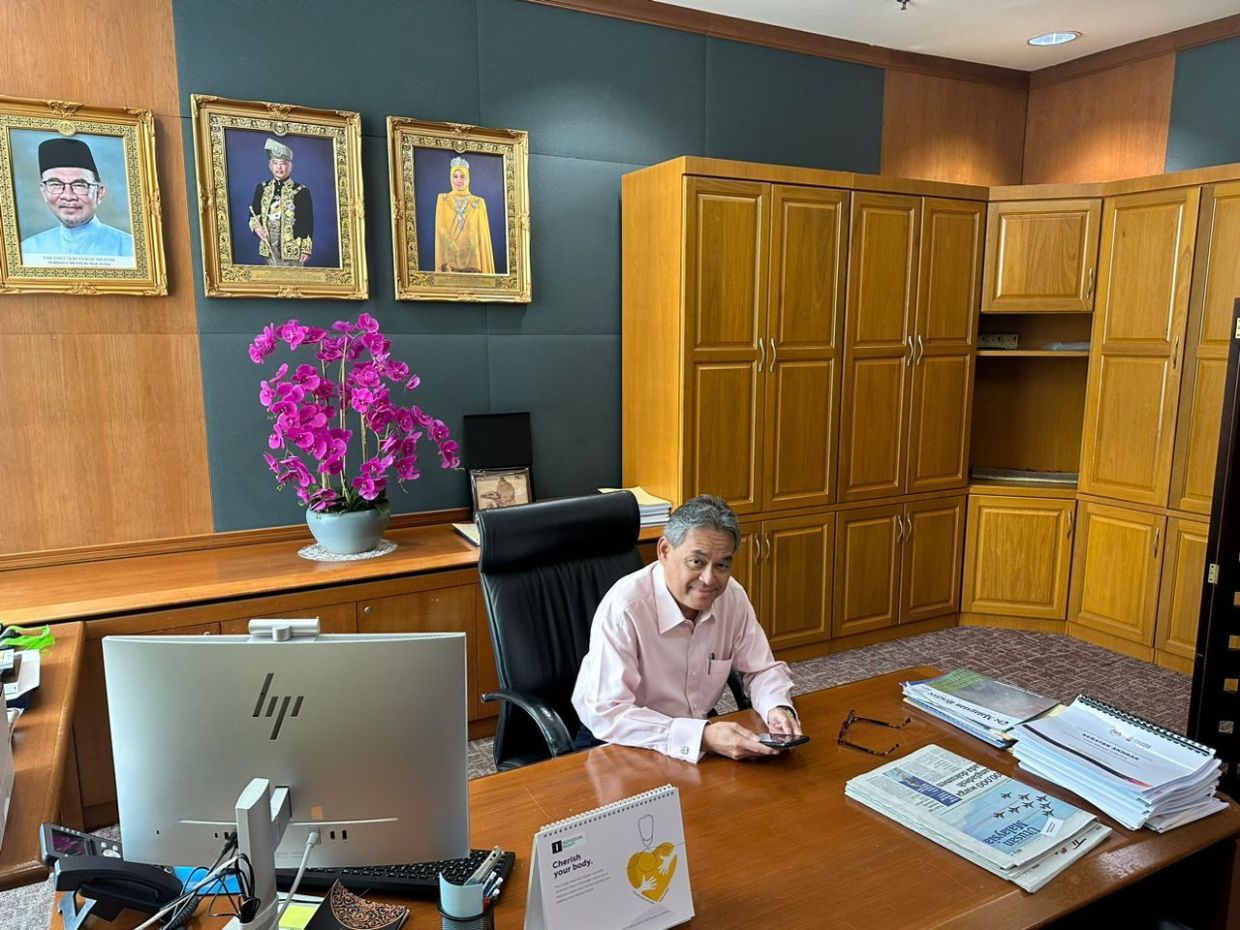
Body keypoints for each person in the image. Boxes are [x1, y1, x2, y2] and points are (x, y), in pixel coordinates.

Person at [572, 494, 803, 762]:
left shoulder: (731, 597)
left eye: (722, 565)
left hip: (694, 731)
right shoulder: (625, 608)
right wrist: (701, 737)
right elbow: (607, 712)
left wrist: (777, 707)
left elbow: (761, 668)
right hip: (619, 740)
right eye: (697, 562)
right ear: (664, 551)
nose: (708, 579)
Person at [19, 137, 134, 267]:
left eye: (79, 185)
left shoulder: (130, 250)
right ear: (44, 192)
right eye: (55, 184)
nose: (68, 196)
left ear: (99, 193)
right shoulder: (27, 251)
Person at [248, 138, 313, 266]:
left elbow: (307, 222)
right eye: (275, 163)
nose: (279, 167)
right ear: (270, 166)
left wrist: (306, 249)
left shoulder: (301, 191)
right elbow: (253, 214)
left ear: (290, 167)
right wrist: (257, 228)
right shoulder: (262, 188)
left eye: (283, 163)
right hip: (268, 247)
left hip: (293, 248)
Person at [433, 156, 495, 273]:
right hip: (449, 257)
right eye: (455, 176)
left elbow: (480, 233)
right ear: (450, 178)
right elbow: (440, 227)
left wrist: (468, 249)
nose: (459, 180)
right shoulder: (443, 199)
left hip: (473, 259)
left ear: (468, 177)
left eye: (462, 176)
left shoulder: (478, 202)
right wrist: (453, 247)